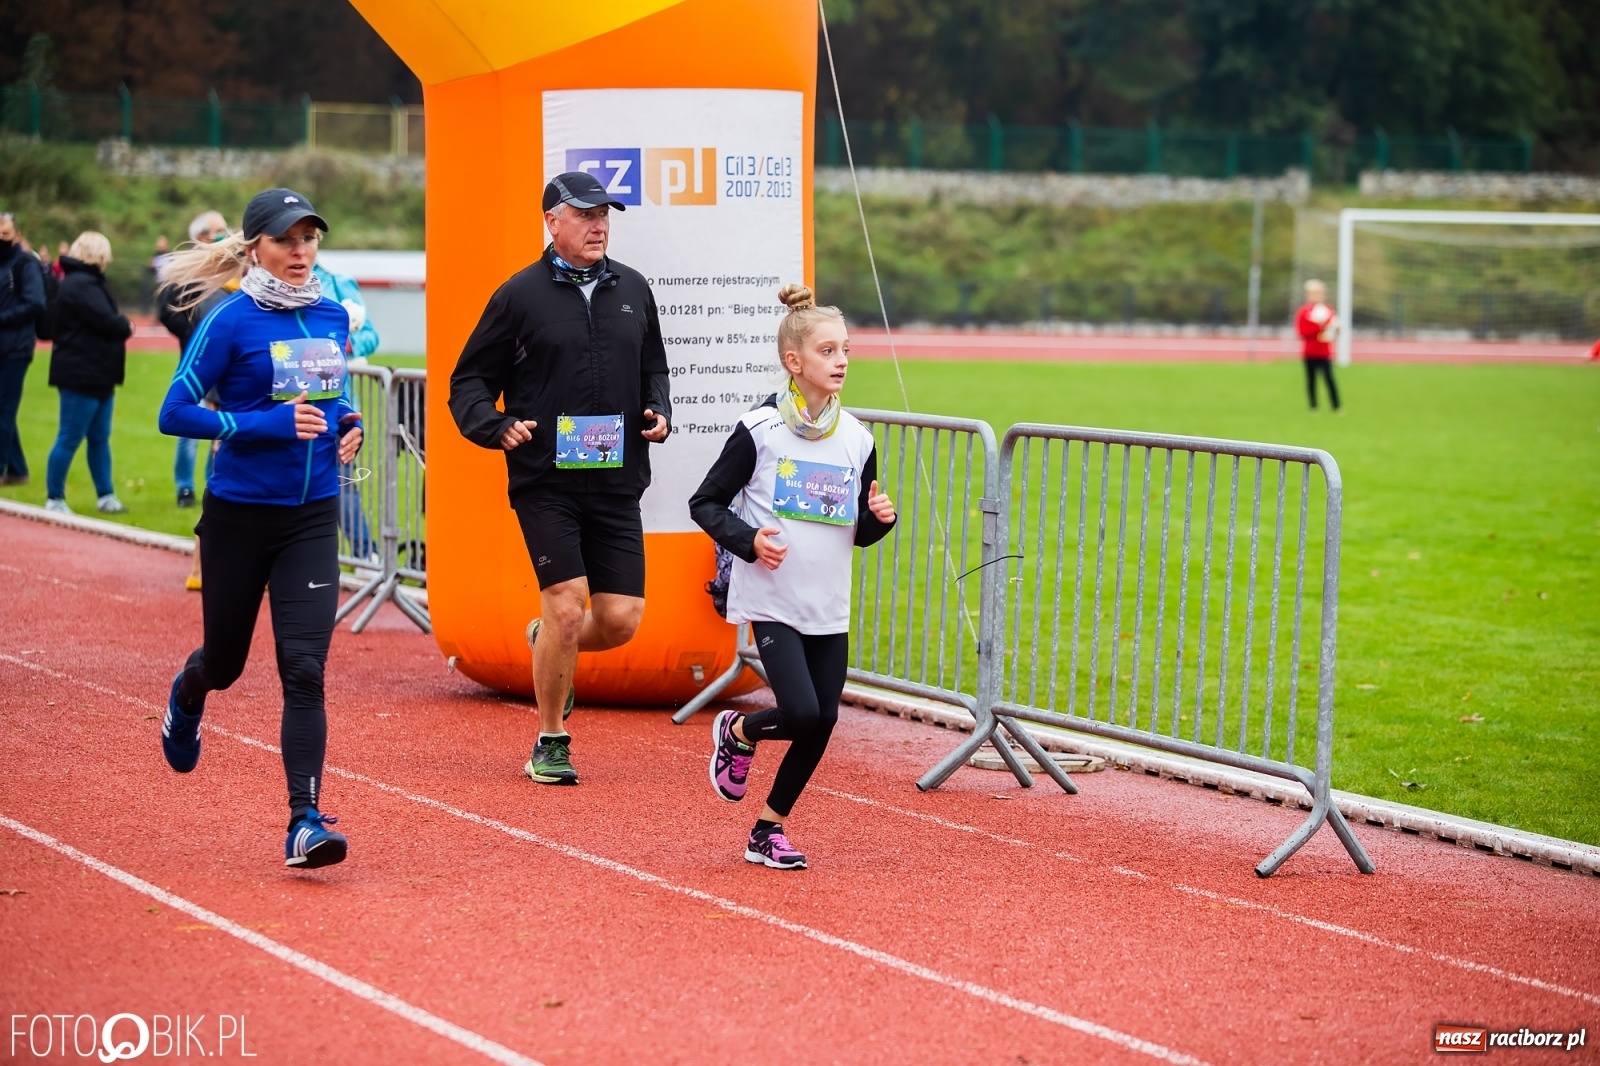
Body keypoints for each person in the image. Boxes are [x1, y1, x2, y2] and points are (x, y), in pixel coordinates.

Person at [156, 187, 364, 870]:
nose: (301, 251)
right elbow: (174, 411)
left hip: (313, 516)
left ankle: (305, 821)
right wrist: (259, 425)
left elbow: (330, 393)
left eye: (310, 238)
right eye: (286, 239)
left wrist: (350, 422)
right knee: (225, 664)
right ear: (256, 249)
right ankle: (188, 693)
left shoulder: (331, 314)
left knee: (304, 668)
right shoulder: (229, 320)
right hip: (240, 517)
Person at [448, 171, 672, 787]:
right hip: (546, 478)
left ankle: (547, 640)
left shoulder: (634, 288)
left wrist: (658, 411)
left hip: (617, 477)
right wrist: (495, 426)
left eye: (604, 215)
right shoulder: (519, 295)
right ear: (552, 221)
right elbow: (468, 382)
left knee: (621, 620)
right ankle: (550, 739)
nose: (599, 225)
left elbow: (654, 368)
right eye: (585, 215)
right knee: (568, 606)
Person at [690, 284, 897, 870]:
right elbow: (705, 503)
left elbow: (856, 530)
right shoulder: (758, 430)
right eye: (828, 351)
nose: (841, 361)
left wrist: (880, 519)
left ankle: (768, 829)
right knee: (802, 713)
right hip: (772, 598)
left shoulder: (858, 438)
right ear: (794, 361)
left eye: (846, 350)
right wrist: (748, 540)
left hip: (828, 602)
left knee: (823, 721)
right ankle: (740, 733)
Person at [44, 232, 132, 515]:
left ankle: (105, 494)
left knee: (99, 438)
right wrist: (125, 325)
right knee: (69, 436)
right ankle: (54, 497)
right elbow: (107, 321)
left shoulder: (84, 282)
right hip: (81, 372)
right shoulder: (81, 284)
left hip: (97, 372)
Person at [160, 211, 231, 509]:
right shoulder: (186, 269)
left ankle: (212, 486)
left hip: (225, 364)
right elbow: (166, 310)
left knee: (220, 426)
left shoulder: (229, 266)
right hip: (196, 363)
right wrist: (196, 336)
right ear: (201, 236)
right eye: (219, 230)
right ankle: (185, 487)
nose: (225, 234)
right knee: (189, 427)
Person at [312, 258, 381, 561]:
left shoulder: (337, 282)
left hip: (335, 402)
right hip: (282, 406)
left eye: (307, 238)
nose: (298, 248)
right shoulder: (256, 281)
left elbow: (370, 336)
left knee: (341, 479)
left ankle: (365, 555)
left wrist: (340, 345)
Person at [0, 211, 46, 486]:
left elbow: (35, 303)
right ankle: (17, 470)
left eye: (4, 233)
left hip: (16, 348)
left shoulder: (25, 264)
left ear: (16, 235)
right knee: (3, 410)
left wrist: (3, 318)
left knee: (4, 409)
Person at [1295, 279, 1341, 411]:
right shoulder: (1304, 312)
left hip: (1324, 352)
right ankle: (1313, 406)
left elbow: (1334, 329)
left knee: (1329, 378)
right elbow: (1302, 332)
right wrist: (1320, 326)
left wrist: (1335, 329)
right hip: (1310, 352)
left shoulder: (1328, 310)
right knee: (1311, 380)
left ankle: (1336, 406)